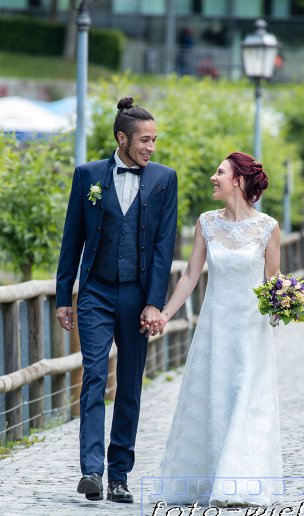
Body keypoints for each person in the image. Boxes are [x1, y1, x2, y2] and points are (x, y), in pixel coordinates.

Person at [56, 96, 178, 503]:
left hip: (137, 296)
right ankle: (91, 471)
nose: (151, 147)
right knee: (94, 375)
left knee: (129, 384)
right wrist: (63, 296)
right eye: (145, 140)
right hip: (96, 291)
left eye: (154, 140)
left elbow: (163, 247)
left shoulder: (164, 179)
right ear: (122, 138)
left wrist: (154, 302)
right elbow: (72, 239)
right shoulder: (88, 175)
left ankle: (119, 475)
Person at [147, 151, 283, 508]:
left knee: (246, 400)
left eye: (220, 172)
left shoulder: (268, 227)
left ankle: (239, 483)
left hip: (251, 331)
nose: (213, 177)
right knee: (215, 397)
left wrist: (286, 302)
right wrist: (165, 314)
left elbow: (273, 280)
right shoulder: (207, 223)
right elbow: (191, 275)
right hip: (215, 328)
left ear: (238, 180)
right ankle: (212, 477)